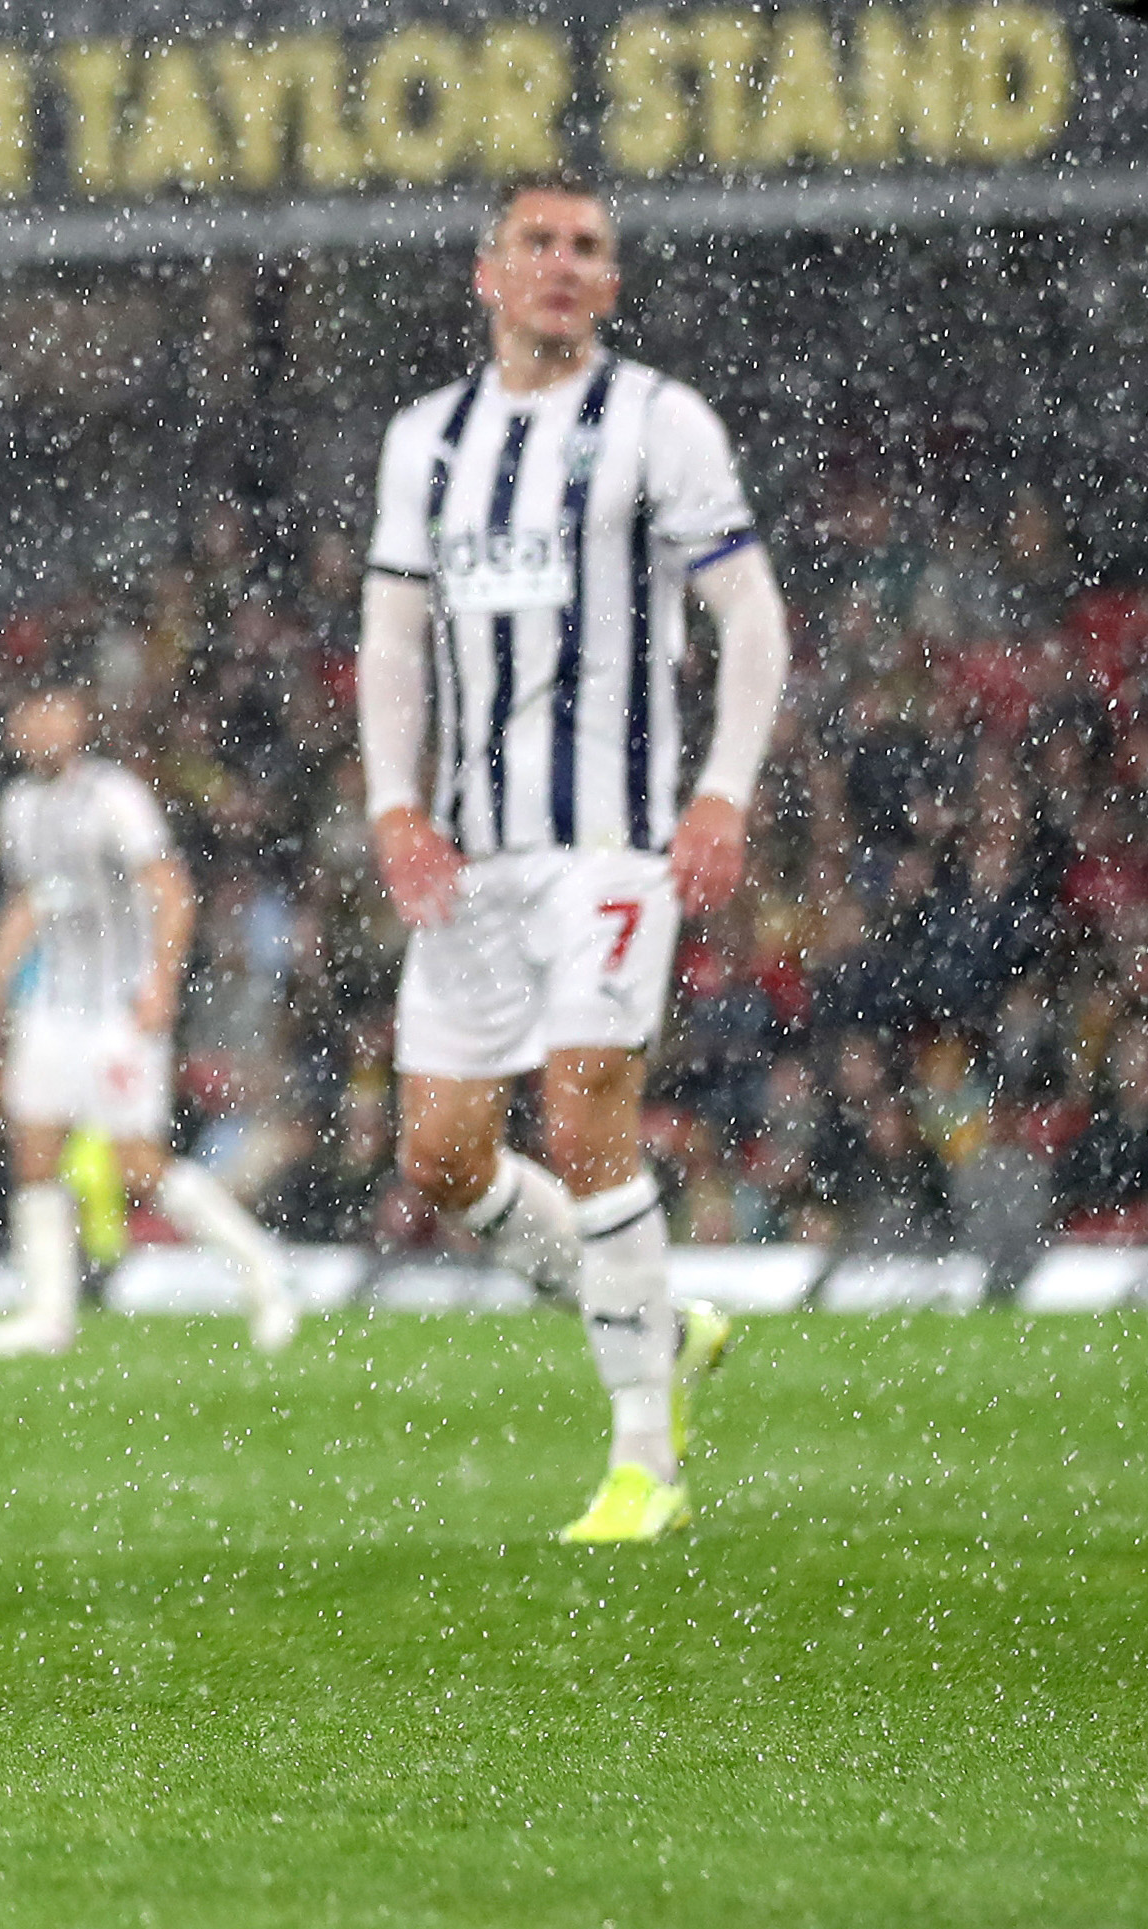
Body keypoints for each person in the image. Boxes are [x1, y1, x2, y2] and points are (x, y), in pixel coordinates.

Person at [358, 174, 790, 1544]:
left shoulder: (659, 424)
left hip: (610, 845)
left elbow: (753, 621)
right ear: (485, 273)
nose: (560, 264)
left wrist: (718, 792)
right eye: (535, 243)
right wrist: (391, 805)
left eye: (586, 248)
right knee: (437, 1156)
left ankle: (642, 1461)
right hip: (470, 860)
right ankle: (666, 1317)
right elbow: (389, 646)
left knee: (585, 1106)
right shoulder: (424, 443)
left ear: (609, 284)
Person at [0, 688, 301, 1359]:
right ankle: (48, 1315)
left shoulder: (115, 797)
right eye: (29, 714)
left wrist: (161, 983)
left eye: (53, 712)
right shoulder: (17, 806)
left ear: (77, 721)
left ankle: (262, 1268)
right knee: (34, 1150)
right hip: (52, 1004)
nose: (41, 727)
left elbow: (170, 889)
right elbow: (29, 903)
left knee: (138, 1166)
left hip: (117, 1006)